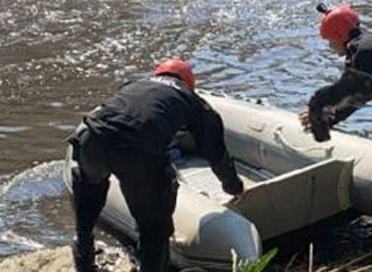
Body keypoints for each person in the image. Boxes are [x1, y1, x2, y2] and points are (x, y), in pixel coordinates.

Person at [67, 58, 244, 272]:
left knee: (88, 198)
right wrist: (233, 187)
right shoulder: (194, 102)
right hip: (137, 151)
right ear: (190, 83)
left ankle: (83, 261)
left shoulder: (134, 84)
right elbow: (216, 154)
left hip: (92, 139)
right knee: (155, 229)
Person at [299, 3, 372, 148]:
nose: (330, 46)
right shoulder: (366, 46)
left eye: (329, 40)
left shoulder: (364, 53)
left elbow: (356, 98)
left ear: (338, 36)